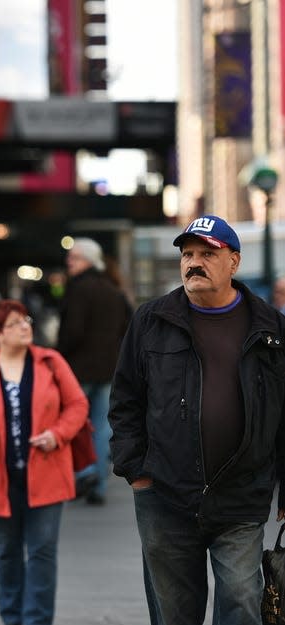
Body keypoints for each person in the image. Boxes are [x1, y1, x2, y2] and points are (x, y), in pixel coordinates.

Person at [109, 215, 285, 625]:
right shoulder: (151, 321)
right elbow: (125, 401)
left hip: (242, 495)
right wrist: (136, 471)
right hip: (165, 496)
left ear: (234, 262)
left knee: (242, 601)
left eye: (208, 253)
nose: (194, 262)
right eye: (187, 254)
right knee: (174, 615)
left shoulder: (272, 329)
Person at [0, 299, 88, 625]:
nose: (25, 326)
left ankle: (36, 620)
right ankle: (12, 618)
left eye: (25, 320)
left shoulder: (51, 362)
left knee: (42, 554)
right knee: (6, 555)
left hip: (47, 476)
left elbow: (77, 405)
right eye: (14, 324)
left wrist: (57, 435)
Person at [56, 238, 131, 505]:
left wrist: (58, 354)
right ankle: (97, 483)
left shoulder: (78, 289)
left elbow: (72, 332)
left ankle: (83, 472)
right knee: (100, 426)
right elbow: (127, 327)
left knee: (74, 423)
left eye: (74, 258)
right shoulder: (113, 290)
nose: (69, 262)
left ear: (88, 260)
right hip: (108, 368)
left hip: (78, 369)